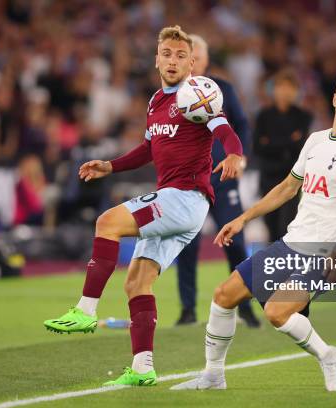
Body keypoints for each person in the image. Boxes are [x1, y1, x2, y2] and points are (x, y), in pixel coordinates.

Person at [43, 26, 243, 387]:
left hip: (184, 198)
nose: (173, 60)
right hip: (178, 203)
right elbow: (149, 148)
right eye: (167, 53)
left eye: (181, 55)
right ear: (156, 59)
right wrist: (111, 165)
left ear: (192, 62)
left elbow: (223, 127)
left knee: (107, 221)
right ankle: (142, 367)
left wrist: (234, 154)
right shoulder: (155, 101)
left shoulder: (195, 94)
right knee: (136, 283)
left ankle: (85, 310)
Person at [171, 70, 336, 392]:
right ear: (334, 96)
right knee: (223, 296)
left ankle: (328, 356)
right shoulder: (316, 140)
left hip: (322, 253)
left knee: (276, 312)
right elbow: (286, 188)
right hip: (290, 245)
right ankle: (213, 376)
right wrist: (243, 219)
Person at [175, 34, 260, 327]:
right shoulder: (173, 93)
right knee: (187, 244)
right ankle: (187, 310)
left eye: (198, 55)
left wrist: (242, 156)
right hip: (188, 181)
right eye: (190, 55)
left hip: (222, 178)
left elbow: (243, 125)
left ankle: (245, 305)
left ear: (206, 59)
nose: (194, 61)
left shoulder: (222, 89)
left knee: (235, 239)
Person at [253, 69, 313, 241]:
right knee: (270, 226)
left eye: (290, 87)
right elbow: (257, 147)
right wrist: (288, 142)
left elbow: (301, 147)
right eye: (281, 87)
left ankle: (288, 263)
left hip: (292, 179)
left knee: (286, 225)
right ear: (274, 90)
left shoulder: (303, 116)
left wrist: (271, 142)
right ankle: (276, 264)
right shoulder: (263, 116)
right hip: (268, 177)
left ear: (296, 91)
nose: (285, 92)